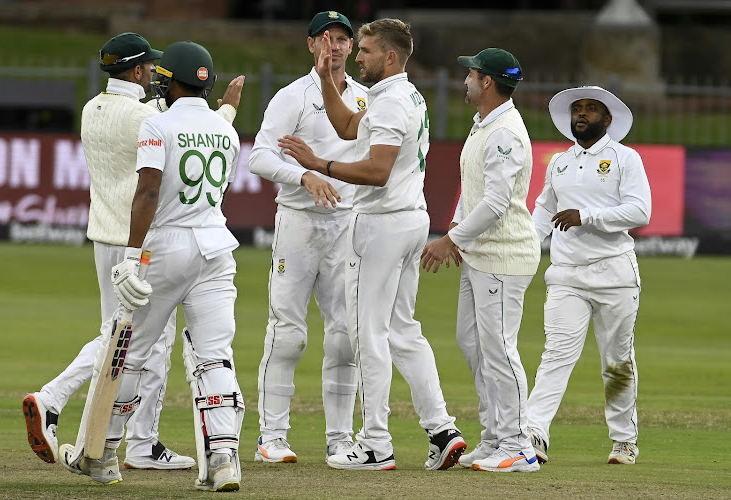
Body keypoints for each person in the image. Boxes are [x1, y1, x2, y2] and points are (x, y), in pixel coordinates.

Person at [279, 17, 466, 471]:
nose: (355, 57)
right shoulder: (404, 95)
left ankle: (376, 442)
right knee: (403, 329)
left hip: (380, 225)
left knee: (367, 335)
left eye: (363, 51)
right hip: (410, 221)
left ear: (390, 57)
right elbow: (347, 126)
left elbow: (377, 170)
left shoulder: (388, 103)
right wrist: (326, 81)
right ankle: (442, 429)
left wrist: (317, 164)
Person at [59, 40, 246, 492]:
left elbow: (146, 194)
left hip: (164, 247)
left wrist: (129, 258)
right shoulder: (229, 131)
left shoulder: (157, 126)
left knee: (129, 355)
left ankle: (102, 454)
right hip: (217, 248)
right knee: (214, 354)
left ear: (169, 80)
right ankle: (222, 459)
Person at [249, 10, 368, 464]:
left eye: (342, 39)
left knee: (344, 336)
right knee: (288, 333)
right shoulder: (291, 96)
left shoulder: (364, 99)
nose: (334, 46)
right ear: (310, 45)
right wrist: (304, 177)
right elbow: (259, 156)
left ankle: (340, 439)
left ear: (352, 47)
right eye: (325, 38)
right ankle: (271, 437)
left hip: (346, 226)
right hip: (298, 224)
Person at [421, 48, 541, 473]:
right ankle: (495, 437)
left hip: (505, 256)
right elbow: (473, 191)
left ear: (487, 82)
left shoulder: (504, 132)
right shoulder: (484, 125)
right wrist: (458, 236)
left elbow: (495, 203)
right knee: (473, 344)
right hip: (481, 254)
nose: (465, 80)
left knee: (500, 350)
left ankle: (518, 444)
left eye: (470, 74)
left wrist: (448, 239)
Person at [526, 85, 651, 465]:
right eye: (577, 109)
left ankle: (624, 440)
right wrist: (527, 248)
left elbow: (640, 212)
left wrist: (588, 216)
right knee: (556, 355)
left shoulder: (624, 159)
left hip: (615, 274)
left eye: (591, 109)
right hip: (566, 275)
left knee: (616, 362)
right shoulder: (560, 163)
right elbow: (543, 211)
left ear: (608, 119)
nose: (581, 114)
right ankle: (533, 433)